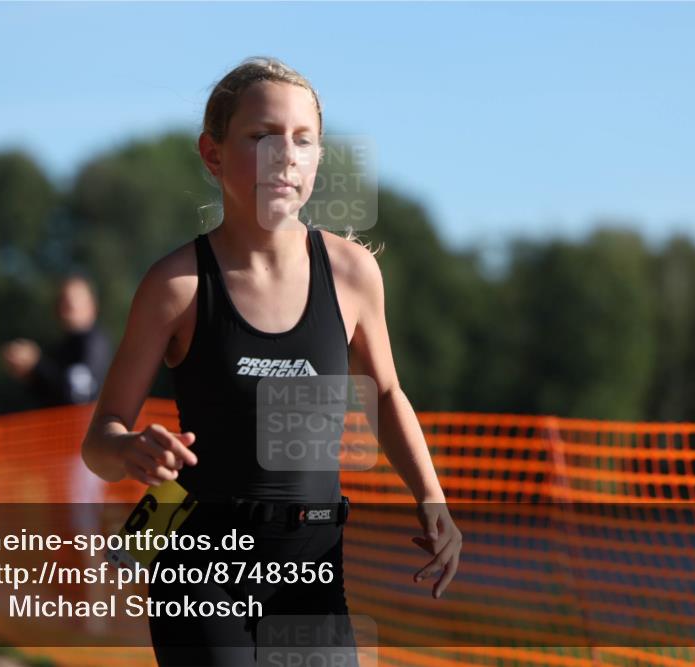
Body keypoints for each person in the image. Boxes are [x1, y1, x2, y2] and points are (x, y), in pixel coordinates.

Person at [81, 56, 462, 666]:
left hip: (310, 561)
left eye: (303, 139)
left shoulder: (353, 274)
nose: (285, 154)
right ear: (213, 154)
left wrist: (431, 497)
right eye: (261, 136)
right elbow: (99, 441)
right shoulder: (176, 285)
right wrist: (129, 450)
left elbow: (386, 394)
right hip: (197, 556)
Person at [2, 273, 113, 407]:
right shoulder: (61, 347)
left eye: (74, 300)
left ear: (92, 306)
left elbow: (78, 394)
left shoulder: (94, 344)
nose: (67, 306)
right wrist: (29, 375)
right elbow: (50, 397)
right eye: (63, 300)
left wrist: (37, 365)